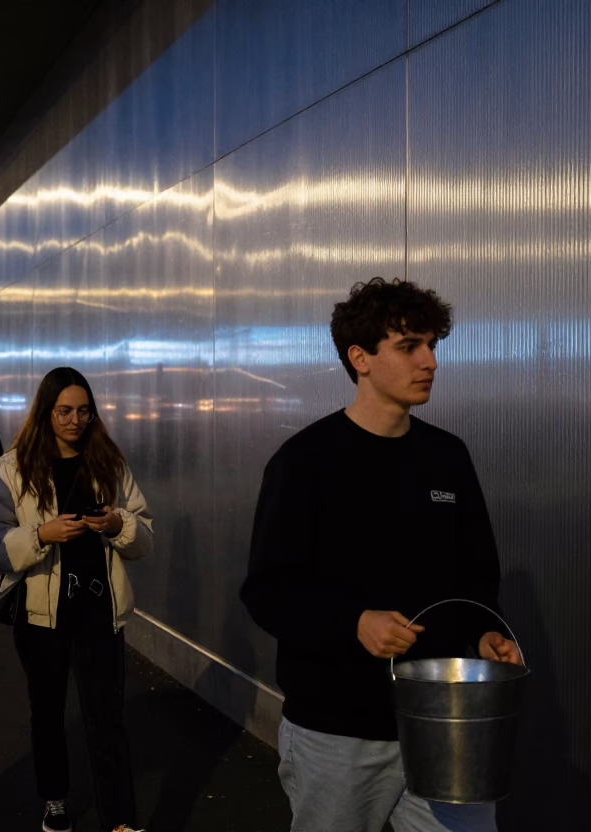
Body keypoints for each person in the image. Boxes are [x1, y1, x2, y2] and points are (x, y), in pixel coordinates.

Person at [240, 278, 523, 832]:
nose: (429, 362)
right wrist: (354, 624)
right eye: (409, 346)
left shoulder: (447, 458)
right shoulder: (306, 462)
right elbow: (267, 591)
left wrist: (483, 633)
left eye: (432, 346)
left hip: (445, 721)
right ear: (360, 357)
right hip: (338, 732)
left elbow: (474, 574)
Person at [0, 367, 152, 832]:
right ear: (46, 412)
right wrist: (42, 534)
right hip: (42, 615)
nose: (75, 420)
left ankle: (120, 819)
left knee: (107, 718)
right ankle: (54, 799)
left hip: (99, 610)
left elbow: (145, 535)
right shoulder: (14, 469)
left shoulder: (109, 464)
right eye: (64, 411)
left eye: (83, 411)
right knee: (48, 712)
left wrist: (118, 526)